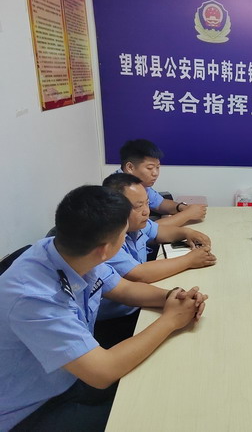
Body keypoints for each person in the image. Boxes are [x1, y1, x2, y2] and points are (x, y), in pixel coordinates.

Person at [0, 186, 208, 431]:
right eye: (123, 234)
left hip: (71, 374)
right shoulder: (33, 298)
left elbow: (125, 289)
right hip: (34, 408)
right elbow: (103, 372)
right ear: (106, 249)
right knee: (154, 412)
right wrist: (171, 320)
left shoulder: (72, 249)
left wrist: (173, 297)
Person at [96, 173, 216, 338]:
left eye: (147, 203)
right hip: (116, 321)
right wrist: (189, 260)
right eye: (138, 206)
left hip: (139, 303)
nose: (146, 211)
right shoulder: (105, 242)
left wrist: (186, 232)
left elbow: (125, 289)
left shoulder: (134, 224)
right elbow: (139, 274)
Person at [118, 138, 207, 226]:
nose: (155, 173)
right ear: (130, 167)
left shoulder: (139, 183)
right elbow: (146, 230)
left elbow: (160, 204)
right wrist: (188, 215)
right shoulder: (119, 190)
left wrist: (183, 207)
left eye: (157, 167)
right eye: (150, 168)